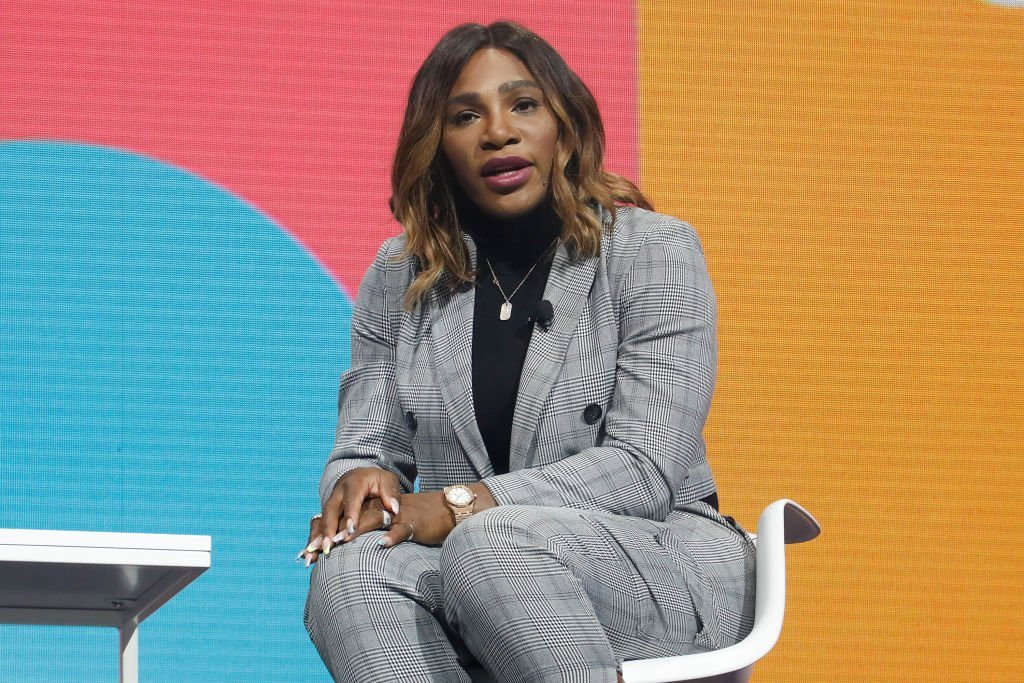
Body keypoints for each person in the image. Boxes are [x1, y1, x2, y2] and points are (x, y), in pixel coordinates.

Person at [301, 21, 755, 683]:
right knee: (350, 572)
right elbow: (367, 445)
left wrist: (462, 502)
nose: (498, 132)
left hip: (658, 561)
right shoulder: (402, 275)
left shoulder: (653, 251)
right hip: (479, 564)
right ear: (439, 146)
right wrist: (359, 480)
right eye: (465, 115)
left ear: (564, 127)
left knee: (491, 543)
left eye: (523, 104)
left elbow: (646, 468)